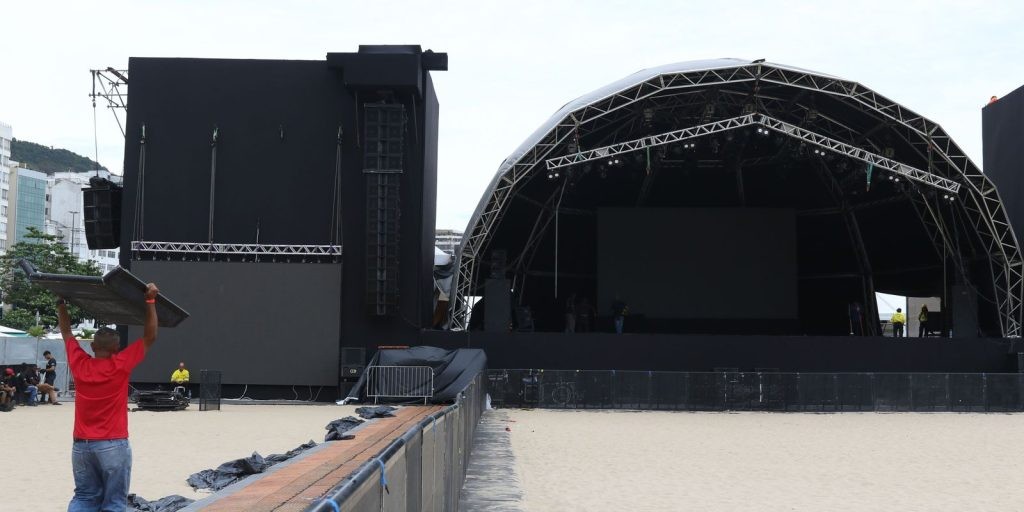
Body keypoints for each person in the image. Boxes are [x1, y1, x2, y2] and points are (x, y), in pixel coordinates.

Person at [60, 283, 160, 512]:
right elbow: (150, 336)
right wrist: (150, 301)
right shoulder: (120, 364)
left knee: (84, 497)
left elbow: (66, 332)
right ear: (117, 349)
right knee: (114, 503)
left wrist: (61, 302)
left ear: (93, 346)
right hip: (113, 443)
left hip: (82, 446)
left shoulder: (79, 363)